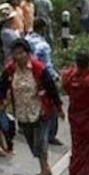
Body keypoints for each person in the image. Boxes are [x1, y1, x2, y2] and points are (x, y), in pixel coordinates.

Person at [0, 38, 64, 175]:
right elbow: (2, 85)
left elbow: (51, 89)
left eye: (22, 53)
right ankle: (45, 165)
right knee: (32, 142)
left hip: (40, 110)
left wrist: (58, 107)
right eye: (16, 54)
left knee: (40, 141)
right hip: (22, 112)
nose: (19, 56)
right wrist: (1, 100)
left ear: (27, 53)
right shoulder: (10, 70)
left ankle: (43, 170)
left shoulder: (38, 68)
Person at [26, 18, 63, 146]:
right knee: (51, 105)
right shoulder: (43, 45)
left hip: (30, 77)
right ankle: (51, 134)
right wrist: (57, 78)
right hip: (45, 78)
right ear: (43, 29)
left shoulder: (26, 40)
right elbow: (47, 66)